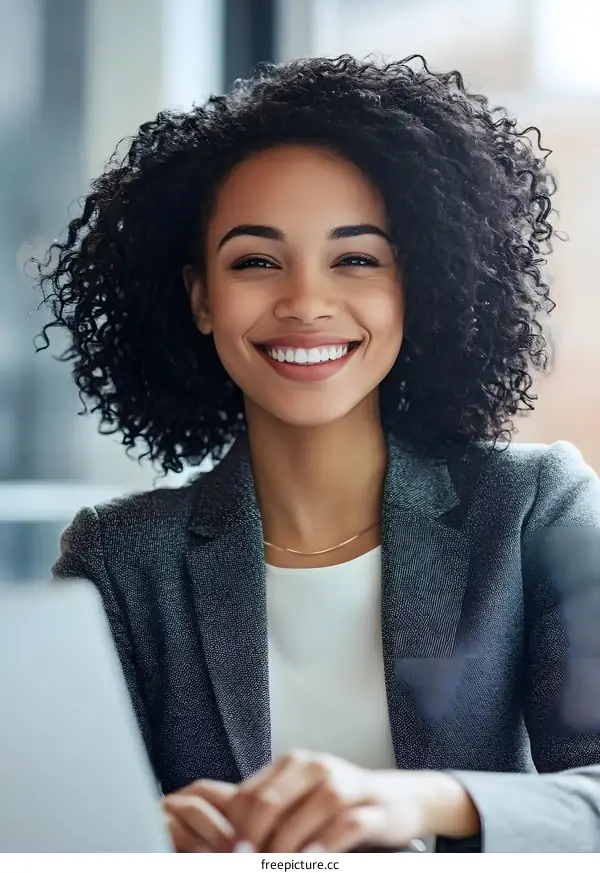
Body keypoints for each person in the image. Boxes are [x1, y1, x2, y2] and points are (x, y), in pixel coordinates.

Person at [37, 55, 600, 853]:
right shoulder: (120, 558)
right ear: (201, 298)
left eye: (356, 258)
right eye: (256, 261)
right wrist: (130, 836)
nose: (304, 301)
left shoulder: (535, 505)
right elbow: (50, 823)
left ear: (419, 285)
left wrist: (420, 802)